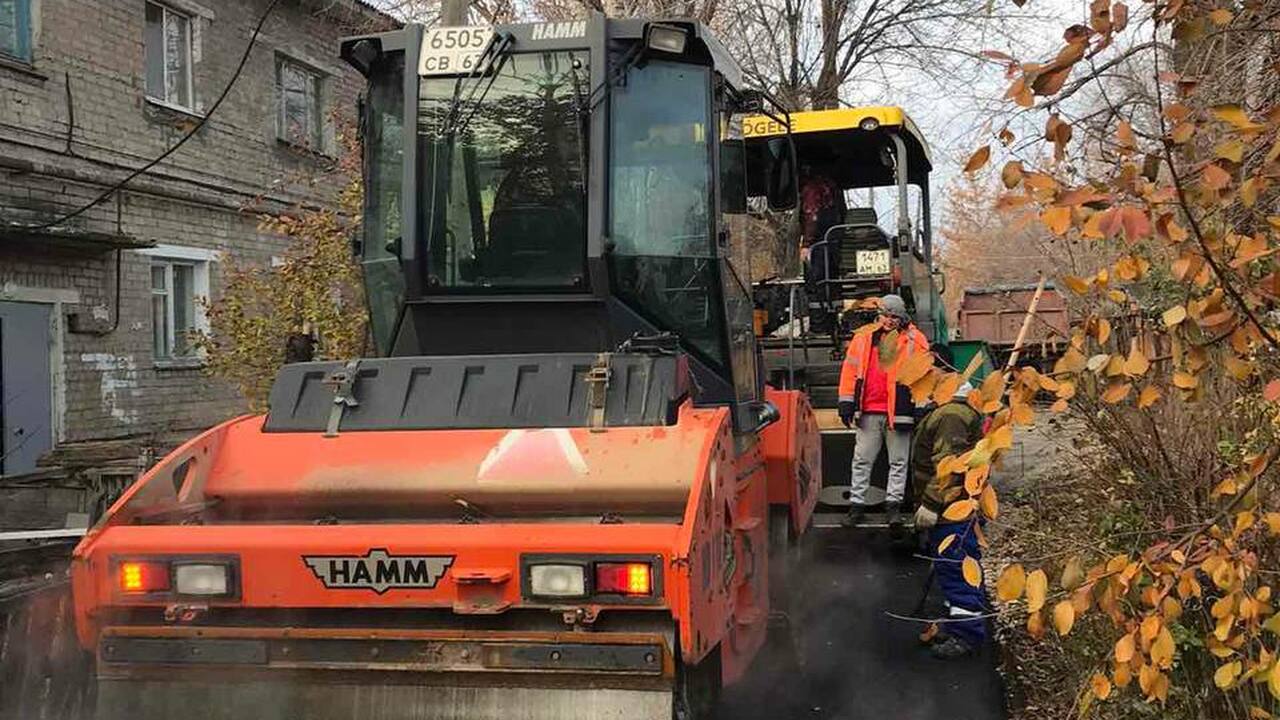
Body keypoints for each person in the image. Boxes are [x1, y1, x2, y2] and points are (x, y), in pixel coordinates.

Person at [911, 345, 987, 660]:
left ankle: (967, 636)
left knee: (957, 568)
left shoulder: (951, 415)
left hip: (953, 508)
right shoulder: (948, 408)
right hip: (954, 506)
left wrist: (930, 503)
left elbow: (950, 466)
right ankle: (958, 624)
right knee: (952, 567)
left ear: (941, 373)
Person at [837, 294, 929, 528]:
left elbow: (923, 377)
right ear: (879, 315)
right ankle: (856, 507)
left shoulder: (915, 340)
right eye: (886, 315)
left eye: (894, 317)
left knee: (898, 461)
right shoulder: (863, 338)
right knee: (862, 460)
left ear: (902, 319)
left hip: (899, 410)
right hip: (868, 409)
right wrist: (846, 402)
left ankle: (893, 508)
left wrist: (920, 407)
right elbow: (850, 371)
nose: (889, 321)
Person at [799, 168, 842, 333]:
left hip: (817, 244)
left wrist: (806, 245)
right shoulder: (832, 187)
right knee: (830, 284)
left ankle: (818, 327)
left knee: (814, 285)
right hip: (832, 242)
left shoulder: (811, 190)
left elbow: (812, 216)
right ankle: (833, 324)